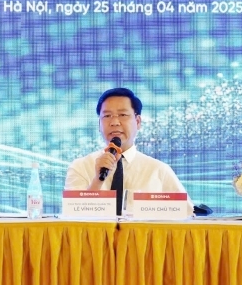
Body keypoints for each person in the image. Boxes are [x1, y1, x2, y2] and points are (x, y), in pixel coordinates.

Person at [64, 87, 189, 215]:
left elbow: (188, 217)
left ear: (138, 121)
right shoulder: (80, 167)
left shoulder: (159, 170)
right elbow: (72, 218)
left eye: (123, 115)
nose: (114, 122)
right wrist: (98, 180)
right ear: (99, 124)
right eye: (107, 116)